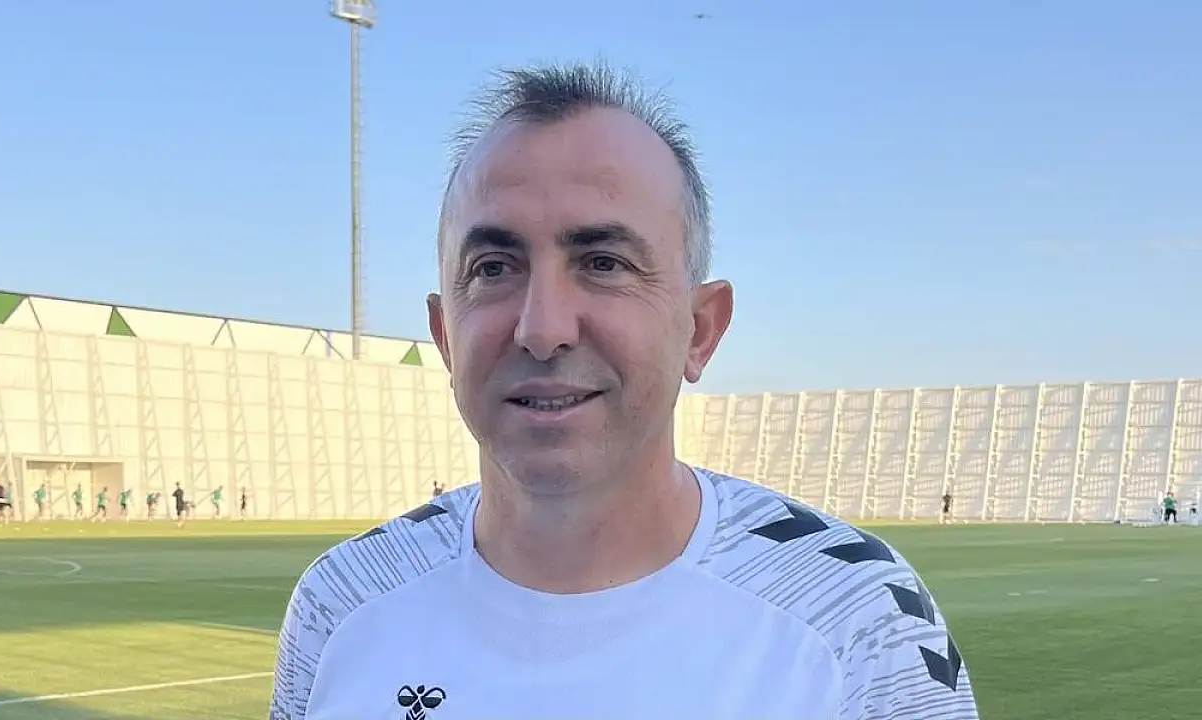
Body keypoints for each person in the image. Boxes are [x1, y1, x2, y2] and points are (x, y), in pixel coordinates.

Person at [270, 61, 978, 719]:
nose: (541, 329)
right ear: (444, 336)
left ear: (701, 330)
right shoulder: (344, 601)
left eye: (603, 262)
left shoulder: (856, 618)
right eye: (493, 268)